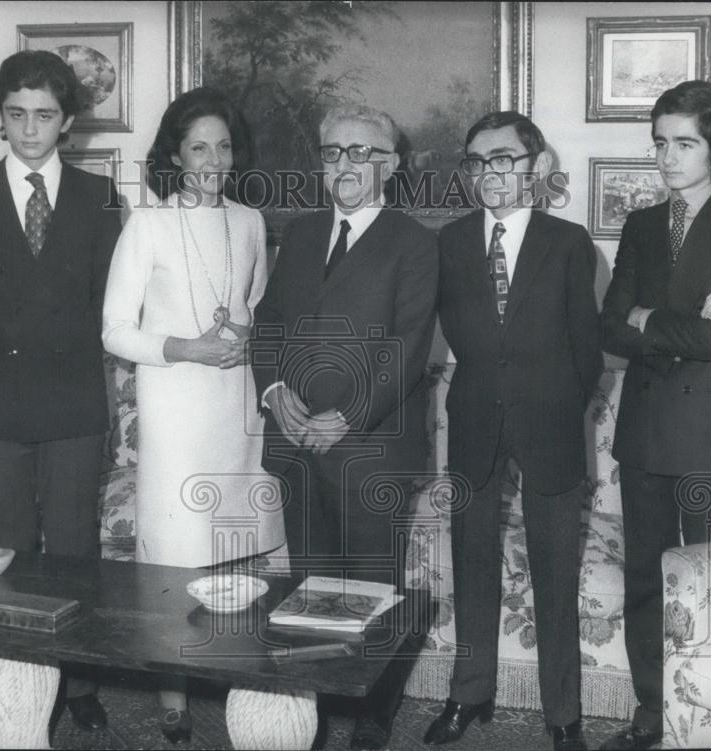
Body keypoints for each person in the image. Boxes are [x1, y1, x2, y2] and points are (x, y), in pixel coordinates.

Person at [0, 50, 123, 732]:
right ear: (0, 117)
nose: (29, 129)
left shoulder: (99, 195)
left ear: (66, 122)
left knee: (74, 550)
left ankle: (77, 682)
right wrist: (7, 348)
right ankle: (15, 688)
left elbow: (109, 299)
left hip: (74, 398)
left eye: (44, 116)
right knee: (5, 550)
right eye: (15, 114)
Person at [101, 86, 287, 744]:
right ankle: (173, 690)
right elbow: (116, 331)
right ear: (175, 155)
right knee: (179, 548)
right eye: (198, 146)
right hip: (176, 404)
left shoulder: (249, 220)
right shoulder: (148, 223)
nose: (213, 159)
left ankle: (235, 670)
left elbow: (253, 301)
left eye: (224, 146)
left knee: (234, 547)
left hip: (233, 404)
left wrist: (232, 338)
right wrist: (186, 346)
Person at [252, 104, 439, 751]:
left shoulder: (415, 242)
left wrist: (349, 414)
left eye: (361, 152)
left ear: (388, 164)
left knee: (370, 588)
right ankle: (317, 707)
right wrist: (274, 391)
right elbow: (268, 323)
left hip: (371, 448)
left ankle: (372, 717)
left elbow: (409, 347)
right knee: (313, 589)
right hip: (298, 446)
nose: (345, 164)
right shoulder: (300, 233)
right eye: (334, 151)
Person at [600, 81, 711, 750]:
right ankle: (651, 715)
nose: (667, 158)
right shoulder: (641, 226)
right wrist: (677, 320)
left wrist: (652, 320)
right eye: (660, 143)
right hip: (642, 434)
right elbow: (609, 328)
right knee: (644, 580)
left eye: (685, 143)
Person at [423, 112, 602, 751]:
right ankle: (468, 695)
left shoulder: (570, 241)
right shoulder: (447, 243)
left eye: (503, 158)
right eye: (476, 161)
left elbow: (587, 347)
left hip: (550, 424)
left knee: (555, 575)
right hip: (472, 421)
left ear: (537, 165)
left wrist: (554, 403)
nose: (489, 173)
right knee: (470, 564)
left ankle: (562, 716)